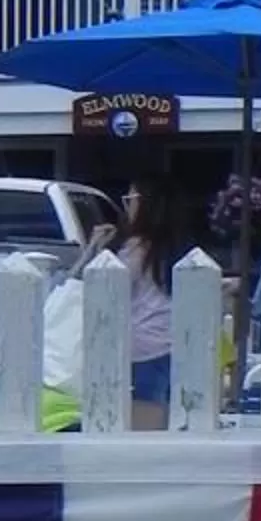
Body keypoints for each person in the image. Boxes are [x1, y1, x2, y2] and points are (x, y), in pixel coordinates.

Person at [118, 181, 177, 427]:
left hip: (143, 345)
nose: (127, 206)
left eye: (129, 199)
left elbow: (114, 287)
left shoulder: (137, 248)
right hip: (170, 342)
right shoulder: (173, 246)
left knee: (145, 421)